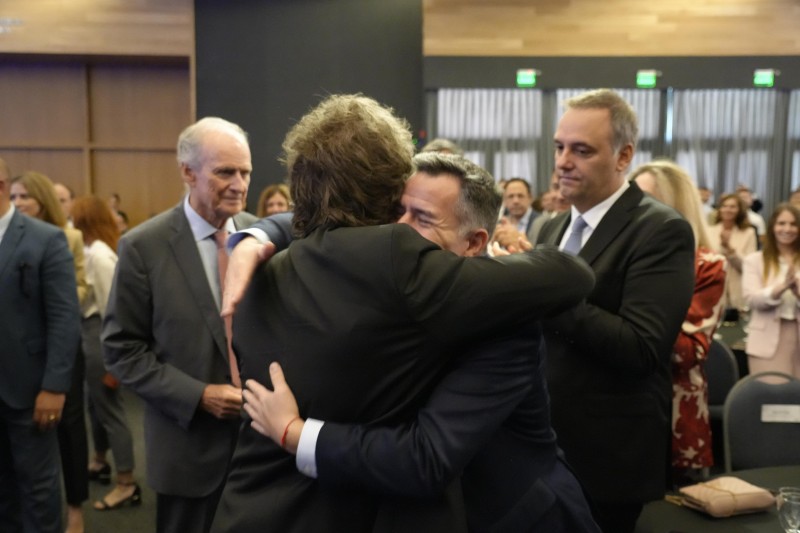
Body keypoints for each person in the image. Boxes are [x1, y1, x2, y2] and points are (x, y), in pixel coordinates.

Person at [211, 94, 595, 533]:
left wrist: (295, 432)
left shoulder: (502, 316)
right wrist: (256, 234)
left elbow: (424, 458)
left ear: (475, 241)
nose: (403, 229)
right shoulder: (383, 269)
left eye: (421, 217)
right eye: (400, 211)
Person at [536, 89, 695, 532]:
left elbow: (641, 347)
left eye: (581, 150)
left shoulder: (660, 229)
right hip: (542, 446)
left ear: (624, 155)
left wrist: (543, 294)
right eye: (559, 147)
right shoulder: (551, 227)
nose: (563, 161)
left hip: (606, 456)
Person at [102, 117, 258, 533]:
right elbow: (122, 351)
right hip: (188, 450)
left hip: (260, 451)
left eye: (245, 172)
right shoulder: (143, 247)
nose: (239, 184)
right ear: (188, 172)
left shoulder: (261, 237)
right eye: (225, 172)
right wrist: (199, 395)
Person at [630, 161, 727, 484]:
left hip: (675, 412)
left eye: (647, 199)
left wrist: (639, 316)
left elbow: (690, 352)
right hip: (620, 411)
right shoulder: (625, 255)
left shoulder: (707, 265)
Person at [0, 158, 81, 533]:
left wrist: (54, 387)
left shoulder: (44, 238)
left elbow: (64, 318)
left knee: (38, 490)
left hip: (30, 390)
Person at [70, 195, 140, 512]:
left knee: (110, 410)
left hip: (100, 337)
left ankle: (126, 483)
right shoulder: (90, 251)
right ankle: (100, 461)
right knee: (95, 405)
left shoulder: (99, 255)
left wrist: (116, 362)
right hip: (90, 335)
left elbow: (114, 309)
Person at [742, 203, 800, 379]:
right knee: (769, 392)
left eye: (793, 224)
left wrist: (797, 292)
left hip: (796, 338)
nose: (787, 229)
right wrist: (781, 288)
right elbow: (751, 299)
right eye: (781, 223)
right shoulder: (754, 260)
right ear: (772, 227)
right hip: (765, 342)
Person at [707, 193, 758, 322]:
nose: (728, 209)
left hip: (738, 290)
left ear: (739, 210)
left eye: (732, 206)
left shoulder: (749, 233)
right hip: (714, 289)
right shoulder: (709, 231)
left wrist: (729, 248)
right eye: (724, 206)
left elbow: (748, 266)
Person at [493, 178, 537, 246]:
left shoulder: (542, 223)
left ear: (530, 198)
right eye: (510, 196)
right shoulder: (499, 224)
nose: (515, 201)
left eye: (520, 196)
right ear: (504, 200)